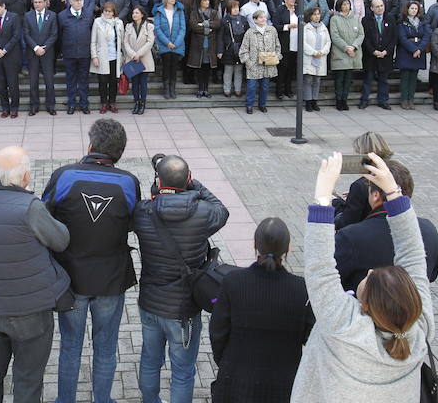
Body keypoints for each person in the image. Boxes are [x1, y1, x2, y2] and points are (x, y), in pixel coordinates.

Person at [292, 152, 434, 402]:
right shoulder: (418, 330)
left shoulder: (344, 327)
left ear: (366, 305)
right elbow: (412, 255)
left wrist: (324, 197)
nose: (369, 271)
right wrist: (393, 192)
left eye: (371, 278)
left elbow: (320, 268)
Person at [0, 146, 70, 403]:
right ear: (25, 176)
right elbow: (61, 240)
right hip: (30, 309)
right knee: (28, 379)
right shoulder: (30, 207)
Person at [43, 119, 140, 403]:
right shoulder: (128, 182)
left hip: (70, 280)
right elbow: (133, 222)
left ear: (90, 145)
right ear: (119, 152)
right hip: (110, 280)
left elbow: (43, 218)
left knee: (70, 347)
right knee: (107, 348)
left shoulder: (64, 176)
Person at [129, 155, 228, 403]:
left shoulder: (142, 212)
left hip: (150, 303)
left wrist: (159, 190)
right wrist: (195, 185)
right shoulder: (204, 213)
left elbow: (150, 201)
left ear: (158, 181)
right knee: (183, 372)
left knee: (150, 360)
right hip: (184, 309)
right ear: (189, 179)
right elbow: (222, 209)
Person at [209, 218, 313, 403]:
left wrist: (226, 364)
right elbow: (311, 339)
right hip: (283, 388)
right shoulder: (302, 290)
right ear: (288, 248)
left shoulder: (233, 282)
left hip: (235, 383)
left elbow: (218, 333)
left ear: (255, 245)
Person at [334, 160, 438, 293]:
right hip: (412, 306)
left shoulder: (350, 236)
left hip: (364, 308)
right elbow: (431, 276)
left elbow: (330, 280)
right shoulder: (429, 229)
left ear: (375, 196)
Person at [58, 0, 94, 114]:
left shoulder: (88, 15)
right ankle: (72, 104)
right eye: (76, 0)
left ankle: (84, 104)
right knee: (71, 80)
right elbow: (59, 35)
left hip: (84, 54)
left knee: (84, 80)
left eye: (81, 0)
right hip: (69, 54)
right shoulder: (62, 16)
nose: (79, 3)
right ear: (69, 2)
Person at [238, 10, 280, 114]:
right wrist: (249, 62)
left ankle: (262, 104)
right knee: (251, 86)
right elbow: (244, 49)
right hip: (254, 65)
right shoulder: (250, 32)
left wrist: (276, 57)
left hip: (268, 64)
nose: (263, 19)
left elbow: (277, 45)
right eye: (260, 17)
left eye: (264, 17)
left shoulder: (272, 30)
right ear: (255, 20)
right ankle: (249, 105)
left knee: (265, 86)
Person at [23, 0, 58, 115]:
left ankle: (50, 105)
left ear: (45, 3)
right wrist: (36, 47)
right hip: (33, 53)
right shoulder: (27, 16)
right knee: (33, 81)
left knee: (49, 81)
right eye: (35, 2)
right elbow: (26, 34)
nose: (37, 4)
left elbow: (54, 34)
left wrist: (45, 47)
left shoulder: (52, 15)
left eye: (39, 2)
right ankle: (34, 105)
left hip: (47, 53)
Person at [0, 0, 22, 117]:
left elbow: (16, 36)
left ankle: (14, 108)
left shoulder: (14, 17)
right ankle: (5, 108)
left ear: (3, 6)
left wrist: (5, 49)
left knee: (13, 84)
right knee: (1, 85)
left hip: (11, 56)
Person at [360, 0, 397, 110]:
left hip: (385, 55)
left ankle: (383, 101)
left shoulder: (390, 19)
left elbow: (394, 38)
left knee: (384, 80)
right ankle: (364, 100)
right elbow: (365, 38)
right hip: (371, 56)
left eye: (381, 6)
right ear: (371, 8)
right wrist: (373, 51)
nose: (380, 8)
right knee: (368, 80)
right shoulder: (366, 20)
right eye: (377, 6)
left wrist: (386, 51)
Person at [329, 0, 364, 111]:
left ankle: (345, 99)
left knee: (348, 79)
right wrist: (346, 48)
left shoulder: (356, 18)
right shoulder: (335, 19)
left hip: (353, 53)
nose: (346, 6)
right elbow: (335, 36)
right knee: (339, 79)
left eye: (347, 4)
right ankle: (339, 100)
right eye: (343, 4)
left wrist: (353, 46)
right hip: (340, 53)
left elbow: (361, 34)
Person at [90, 1, 125, 113]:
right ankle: (104, 103)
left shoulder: (118, 23)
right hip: (102, 57)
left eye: (109, 11)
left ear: (114, 12)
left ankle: (112, 103)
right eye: (105, 11)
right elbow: (93, 41)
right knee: (103, 82)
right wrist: (94, 56)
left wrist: (124, 56)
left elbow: (122, 41)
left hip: (115, 57)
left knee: (114, 81)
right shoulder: (97, 22)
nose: (107, 13)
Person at [395, 1, 430, 110]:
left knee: (414, 77)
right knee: (405, 77)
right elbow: (402, 38)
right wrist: (414, 49)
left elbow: (426, 36)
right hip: (406, 52)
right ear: (407, 9)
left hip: (419, 52)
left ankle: (411, 99)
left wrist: (419, 49)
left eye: (416, 9)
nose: (414, 10)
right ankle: (404, 99)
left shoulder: (422, 22)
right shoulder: (402, 22)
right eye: (412, 8)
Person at [153, 0, 186, 100]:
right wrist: (167, 42)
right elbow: (157, 29)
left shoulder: (179, 11)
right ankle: (166, 88)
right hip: (164, 45)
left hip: (177, 44)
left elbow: (183, 28)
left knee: (174, 68)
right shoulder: (159, 11)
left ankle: (173, 88)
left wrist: (176, 43)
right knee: (166, 67)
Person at [187, 0, 221, 98]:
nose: (207, 2)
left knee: (207, 68)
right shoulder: (194, 13)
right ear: (200, 1)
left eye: (208, 0)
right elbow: (194, 26)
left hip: (210, 45)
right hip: (198, 45)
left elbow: (217, 24)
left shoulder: (214, 12)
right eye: (204, 0)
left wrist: (204, 24)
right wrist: (207, 28)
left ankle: (206, 89)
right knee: (199, 68)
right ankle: (200, 89)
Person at [123, 6, 155, 114]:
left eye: (136, 13)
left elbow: (150, 42)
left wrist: (139, 54)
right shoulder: (128, 26)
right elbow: (125, 42)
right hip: (132, 58)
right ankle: (136, 102)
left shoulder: (149, 26)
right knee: (135, 83)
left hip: (144, 58)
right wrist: (133, 54)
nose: (134, 15)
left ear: (142, 14)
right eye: (133, 13)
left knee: (143, 82)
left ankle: (143, 103)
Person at [302, 6, 331, 112]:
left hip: (321, 57)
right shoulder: (306, 28)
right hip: (310, 57)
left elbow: (328, 42)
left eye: (318, 14)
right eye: (314, 14)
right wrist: (313, 52)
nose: (317, 16)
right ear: (310, 16)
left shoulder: (323, 27)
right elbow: (303, 43)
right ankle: (308, 101)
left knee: (317, 80)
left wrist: (322, 52)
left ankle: (315, 100)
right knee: (308, 80)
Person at [273, 0, 299, 100]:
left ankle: (289, 90)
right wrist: (287, 26)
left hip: (295, 43)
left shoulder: (298, 10)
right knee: (282, 68)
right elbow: (276, 25)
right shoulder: (280, 10)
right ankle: (279, 91)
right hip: (284, 43)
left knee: (291, 69)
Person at [220, 0, 245, 98]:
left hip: (241, 48)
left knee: (239, 70)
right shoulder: (225, 20)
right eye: (233, 8)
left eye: (237, 8)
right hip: (229, 48)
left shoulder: (243, 20)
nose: (236, 10)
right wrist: (220, 50)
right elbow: (221, 36)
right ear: (229, 9)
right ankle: (227, 90)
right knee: (228, 70)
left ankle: (238, 90)